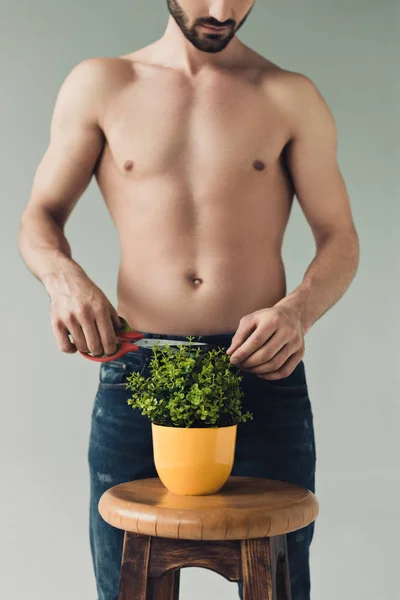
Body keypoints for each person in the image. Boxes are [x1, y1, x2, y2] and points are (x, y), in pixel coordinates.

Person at [18, 1, 359, 598]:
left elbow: (340, 237)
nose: (222, 10)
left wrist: (297, 311)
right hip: (139, 371)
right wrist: (63, 278)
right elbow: (38, 219)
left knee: (280, 582)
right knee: (124, 579)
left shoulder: (289, 96)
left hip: (258, 370)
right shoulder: (102, 84)